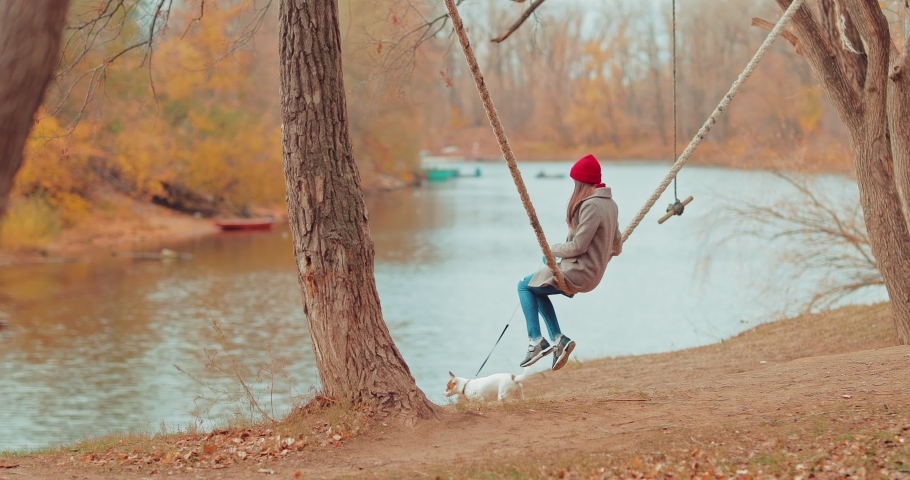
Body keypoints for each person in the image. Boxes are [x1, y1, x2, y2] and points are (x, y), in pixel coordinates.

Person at [518, 154, 622, 371]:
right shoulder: (610, 204)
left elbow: (577, 247)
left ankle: (536, 341)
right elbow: (617, 246)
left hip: (580, 271)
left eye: (576, 182)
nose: (574, 186)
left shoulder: (591, 206)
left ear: (582, 183)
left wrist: (550, 249)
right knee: (537, 288)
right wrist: (601, 255)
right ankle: (557, 339)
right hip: (590, 272)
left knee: (523, 286)